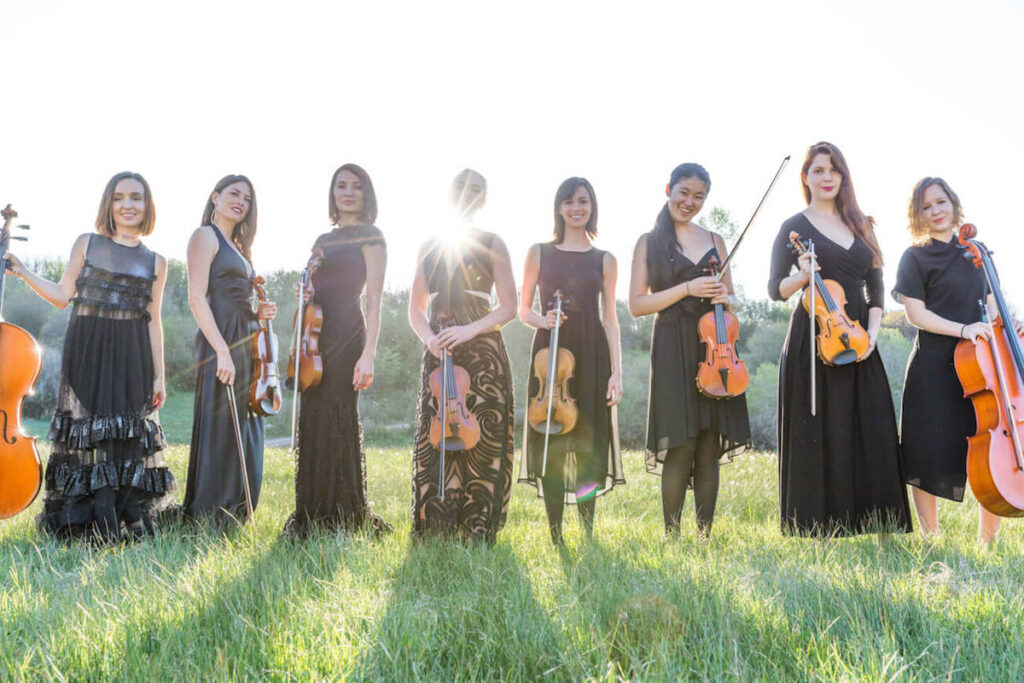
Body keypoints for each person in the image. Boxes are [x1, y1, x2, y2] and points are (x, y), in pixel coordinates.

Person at [8, 172, 175, 542]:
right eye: (119, 198)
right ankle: (84, 520)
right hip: (88, 349)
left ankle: (121, 518)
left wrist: (159, 376)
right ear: (108, 204)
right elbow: (63, 295)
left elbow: (154, 322)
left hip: (133, 353)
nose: (128, 205)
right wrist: (23, 272)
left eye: (136, 198)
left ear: (147, 205)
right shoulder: (88, 243)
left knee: (126, 436)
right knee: (92, 436)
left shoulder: (157, 262)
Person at [768, 142, 911, 537]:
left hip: (860, 334)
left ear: (843, 177)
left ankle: (880, 527)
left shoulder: (860, 223)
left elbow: (876, 286)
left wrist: (873, 334)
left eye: (833, 170)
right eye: (818, 170)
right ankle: (815, 529)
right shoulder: (792, 227)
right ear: (806, 178)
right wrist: (801, 274)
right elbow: (774, 290)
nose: (826, 177)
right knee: (818, 429)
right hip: (814, 337)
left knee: (874, 427)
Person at [628, 163, 749, 538]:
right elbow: (636, 304)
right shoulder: (648, 242)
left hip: (712, 347)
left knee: (709, 442)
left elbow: (731, 302)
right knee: (681, 441)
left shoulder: (716, 240)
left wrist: (724, 297)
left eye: (698, 197)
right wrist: (687, 289)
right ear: (668, 189)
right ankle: (672, 535)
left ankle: (705, 535)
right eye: (684, 192)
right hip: (671, 348)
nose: (690, 202)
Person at [893, 177, 1011, 544]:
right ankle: (932, 540)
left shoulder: (976, 251)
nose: (935, 212)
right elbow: (916, 315)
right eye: (926, 207)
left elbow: (991, 302)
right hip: (933, 366)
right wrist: (964, 329)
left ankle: (986, 543)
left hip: (980, 368)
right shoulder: (915, 256)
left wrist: (1006, 320)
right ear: (918, 214)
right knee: (925, 450)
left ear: (953, 204)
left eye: (940, 203)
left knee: (989, 451)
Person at [407, 169, 516, 545]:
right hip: (439, 350)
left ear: (483, 200)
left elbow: (509, 307)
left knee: (483, 436)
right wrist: (429, 339)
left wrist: (468, 330)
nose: (466, 194)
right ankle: (436, 528)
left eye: (475, 190)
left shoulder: (494, 242)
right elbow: (416, 309)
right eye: (460, 188)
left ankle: (477, 529)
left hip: (482, 350)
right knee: (435, 436)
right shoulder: (428, 245)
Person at [284, 163, 392, 537]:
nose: (347, 192)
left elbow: (374, 301)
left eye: (355, 186)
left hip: (348, 334)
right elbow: (312, 289)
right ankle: (313, 512)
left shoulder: (372, 236)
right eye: (340, 186)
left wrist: (369, 354)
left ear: (366, 194)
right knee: (314, 417)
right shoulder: (323, 241)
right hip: (314, 337)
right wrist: (306, 292)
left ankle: (345, 512)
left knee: (339, 415)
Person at [519, 177, 624, 545]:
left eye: (583, 201)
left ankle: (588, 531)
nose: (576, 208)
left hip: (593, 351)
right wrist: (542, 319)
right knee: (554, 440)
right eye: (568, 201)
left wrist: (617, 372)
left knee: (589, 443)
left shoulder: (606, 260)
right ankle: (555, 534)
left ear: (592, 206)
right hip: (551, 353)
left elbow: (610, 319)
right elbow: (522, 310)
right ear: (558, 208)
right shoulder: (539, 252)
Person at [183, 174, 276, 525]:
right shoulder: (204, 236)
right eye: (234, 194)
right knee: (222, 422)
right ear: (215, 197)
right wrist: (220, 350)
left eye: (247, 198)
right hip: (220, 338)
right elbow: (197, 298)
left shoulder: (238, 245)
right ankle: (212, 513)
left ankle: (239, 508)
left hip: (246, 337)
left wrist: (258, 312)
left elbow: (238, 299)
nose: (241, 201)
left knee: (248, 416)